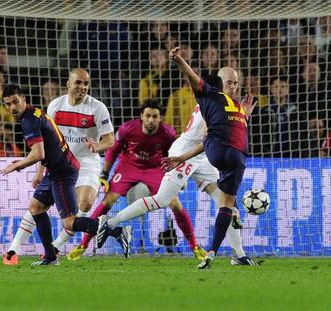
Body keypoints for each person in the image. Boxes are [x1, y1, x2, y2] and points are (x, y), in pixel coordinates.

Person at [97, 47, 256, 269]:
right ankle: (110, 222)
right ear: (220, 83)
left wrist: (244, 115)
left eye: (236, 83)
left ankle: (238, 254)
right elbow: (205, 139)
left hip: (203, 156)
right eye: (229, 83)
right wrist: (181, 158)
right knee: (162, 199)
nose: (234, 87)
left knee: (226, 203)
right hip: (187, 153)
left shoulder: (226, 106)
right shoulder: (211, 104)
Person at [67, 99, 205, 260]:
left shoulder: (168, 133)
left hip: (154, 168)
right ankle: (83, 245)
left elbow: (172, 153)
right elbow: (113, 151)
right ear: (141, 116)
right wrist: (104, 173)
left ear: (160, 118)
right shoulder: (128, 129)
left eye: (155, 116)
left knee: (175, 203)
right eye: (148, 116)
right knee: (108, 200)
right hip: (129, 166)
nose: (151, 120)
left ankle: (194, 246)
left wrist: (177, 175)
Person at [3, 69, 115, 265]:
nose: (82, 87)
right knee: (37, 206)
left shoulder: (97, 108)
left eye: (86, 83)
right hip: (61, 161)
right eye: (78, 83)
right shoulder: (55, 105)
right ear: (68, 84)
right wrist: (40, 171)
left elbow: (110, 140)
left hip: (86, 162)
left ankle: (55, 246)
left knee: (85, 204)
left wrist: (96, 146)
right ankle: (17, 250)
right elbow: (45, 140)